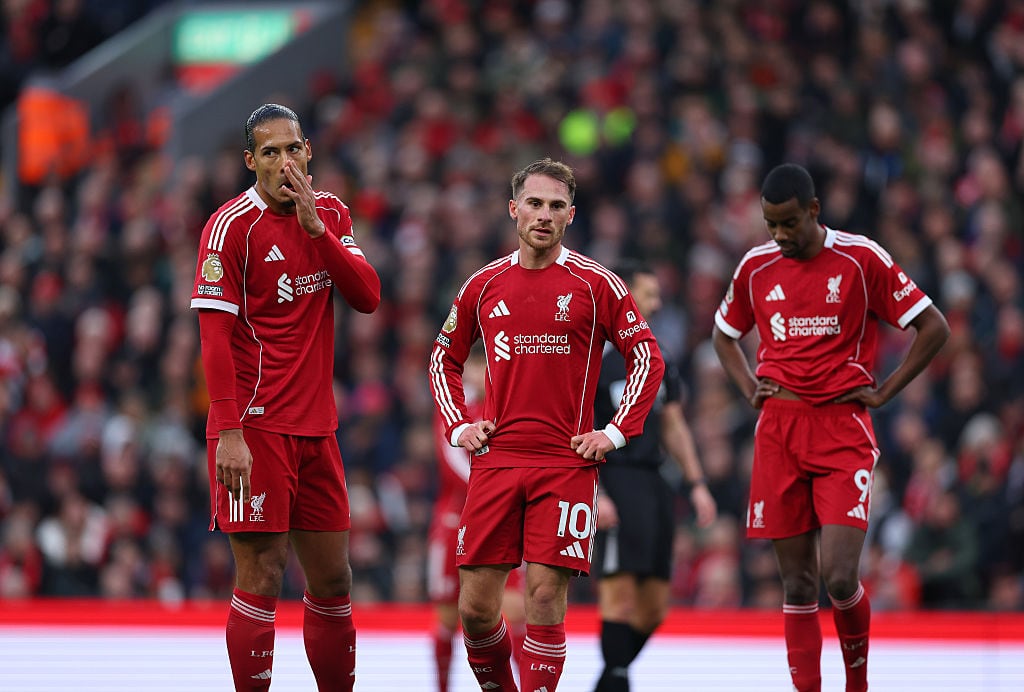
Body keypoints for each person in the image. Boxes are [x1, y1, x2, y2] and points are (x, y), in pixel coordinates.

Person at [428, 157, 665, 692]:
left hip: (566, 462)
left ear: (570, 216)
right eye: (534, 203)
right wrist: (459, 426)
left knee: (541, 599)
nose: (544, 214)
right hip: (497, 459)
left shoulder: (596, 283)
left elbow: (647, 357)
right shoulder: (483, 284)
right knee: (476, 610)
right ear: (514, 210)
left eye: (556, 206)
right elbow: (442, 355)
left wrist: (615, 432)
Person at [711, 163, 949, 692]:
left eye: (789, 223)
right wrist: (750, 386)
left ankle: (857, 685)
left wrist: (886, 390)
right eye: (771, 224)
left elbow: (934, 326)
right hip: (779, 430)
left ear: (814, 211)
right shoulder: (756, 267)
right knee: (797, 583)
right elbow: (723, 335)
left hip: (843, 429)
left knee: (839, 576)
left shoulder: (862, 259)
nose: (780, 235)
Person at [190, 103, 381, 691]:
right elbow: (215, 340)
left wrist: (318, 233)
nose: (283, 162)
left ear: (309, 153)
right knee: (262, 573)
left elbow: (367, 296)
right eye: (268, 152)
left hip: (318, 428)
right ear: (250, 161)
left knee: (333, 581)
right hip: (254, 428)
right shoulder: (229, 229)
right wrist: (228, 432)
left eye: (292, 149)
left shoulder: (331, 214)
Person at [591, 260, 718, 692]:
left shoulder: (657, 356)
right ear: (623, 296)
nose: (657, 302)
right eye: (648, 293)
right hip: (613, 478)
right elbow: (574, 430)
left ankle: (611, 676)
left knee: (654, 607)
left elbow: (674, 423)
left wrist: (697, 483)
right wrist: (595, 492)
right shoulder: (590, 357)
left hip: (655, 483)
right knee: (620, 594)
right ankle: (617, 680)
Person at [428, 346, 526, 692]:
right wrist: (498, 489)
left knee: (512, 610)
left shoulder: (510, 405)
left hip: (500, 522)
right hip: (454, 522)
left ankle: (522, 684)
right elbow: (452, 462)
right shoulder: (455, 409)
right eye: (477, 363)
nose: (483, 370)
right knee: (447, 617)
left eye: (489, 363)